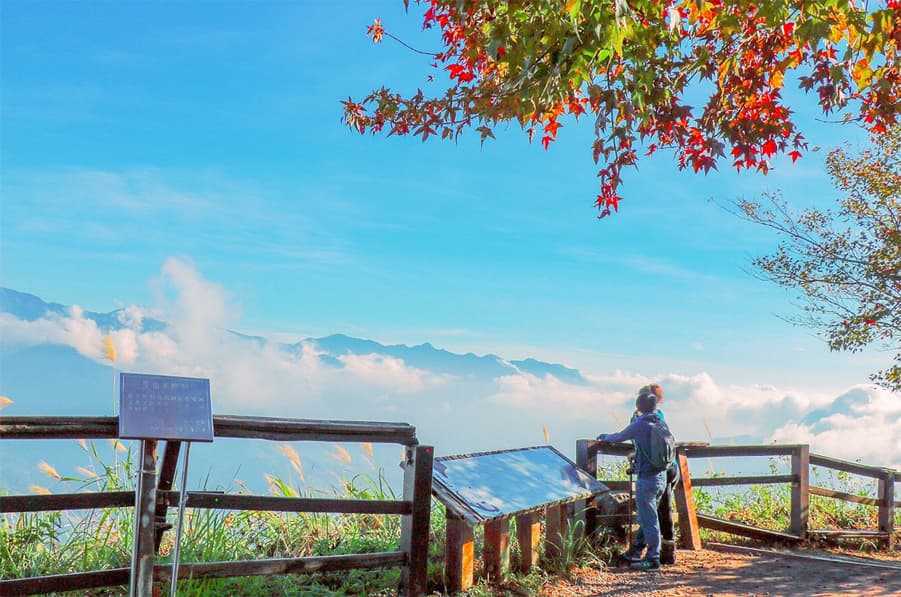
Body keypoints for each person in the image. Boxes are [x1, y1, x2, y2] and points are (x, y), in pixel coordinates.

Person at [597, 391, 668, 571]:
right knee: (649, 518)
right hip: (661, 476)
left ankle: (653, 559)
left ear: (638, 407)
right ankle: (640, 554)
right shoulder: (660, 422)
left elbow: (617, 437)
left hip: (647, 479)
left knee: (649, 520)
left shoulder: (640, 424)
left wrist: (604, 436)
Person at [626, 384, 679, 565]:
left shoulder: (640, 419)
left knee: (652, 513)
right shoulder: (660, 418)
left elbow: (623, 436)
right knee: (661, 511)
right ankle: (664, 554)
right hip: (670, 468)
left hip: (653, 472)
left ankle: (650, 555)